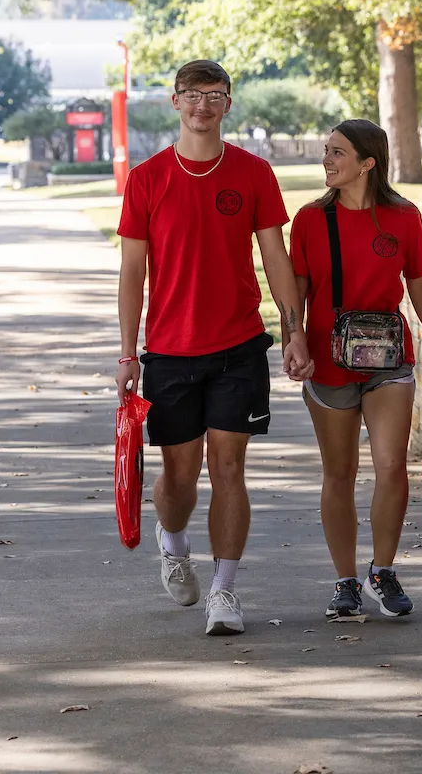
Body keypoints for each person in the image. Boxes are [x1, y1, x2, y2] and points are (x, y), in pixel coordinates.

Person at [116, 59, 313, 636]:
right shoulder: (148, 178)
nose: (203, 105)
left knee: (229, 467)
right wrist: (129, 353)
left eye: (215, 95)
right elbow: (132, 271)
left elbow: (276, 256)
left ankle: (225, 592)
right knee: (180, 477)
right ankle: (172, 540)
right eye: (192, 95)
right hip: (170, 353)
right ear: (175, 102)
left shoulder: (254, 174)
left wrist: (294, 328)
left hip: (239, 346)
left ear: (229, 103)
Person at [290, 119, 422, 619]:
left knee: (391, 467)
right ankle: (345, 581)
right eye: (326, 151)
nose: (326, 160)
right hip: (328, 360)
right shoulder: (309, 220)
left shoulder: (403, 217)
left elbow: (420, 287)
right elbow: (294, 289)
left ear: (368, 163)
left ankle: (382, 572)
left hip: (389, 359)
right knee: (339, 472)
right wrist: (294, 337)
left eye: (337, 153)